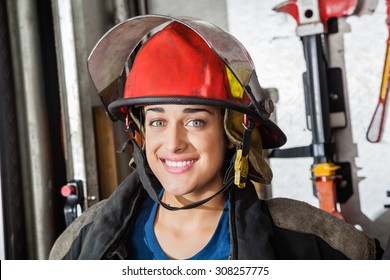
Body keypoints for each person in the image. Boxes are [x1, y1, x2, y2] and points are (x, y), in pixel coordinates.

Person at [49, 15, 385, 260]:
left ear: (232, 132)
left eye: (195, 122)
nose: (174, 142)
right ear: (137, 132)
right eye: (157, 122)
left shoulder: (309, 239)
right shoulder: (82, 242)